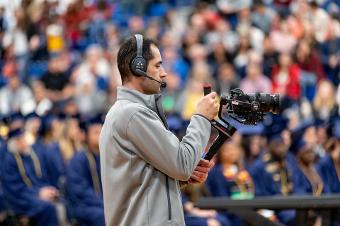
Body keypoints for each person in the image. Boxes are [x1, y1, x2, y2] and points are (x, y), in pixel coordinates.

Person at [99, 34, 218, 226]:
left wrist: (183, 177)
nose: (163, 73)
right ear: (137, 67)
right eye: (157, 65)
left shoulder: (128, 112)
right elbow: (182, 164)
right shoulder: (132, 114)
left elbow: (142, 181)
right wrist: (202, 117)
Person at [66, 116, 104, 226]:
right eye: (96, 132)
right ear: (84, 136)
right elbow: (81, 191)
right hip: (83, 206)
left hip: (102, 203)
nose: (101, 134)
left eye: (102, 130)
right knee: (102, 215)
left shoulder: (105, 157)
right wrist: (103, 203)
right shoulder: (77, 160)